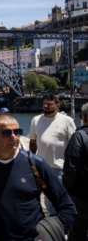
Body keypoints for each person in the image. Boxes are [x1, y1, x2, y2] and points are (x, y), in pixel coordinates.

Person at [0, 115, 76, 241]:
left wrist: (49, 235)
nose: (14, 137)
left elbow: (67, 206)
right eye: (6, 133)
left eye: (17, 132)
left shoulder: (36, 164)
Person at [29, 94, 76, 214]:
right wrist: (30, 160)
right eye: (44, 103)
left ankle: (60, 224)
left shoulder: (67, 121)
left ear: (57, 105)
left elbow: (73, 144)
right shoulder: (36, 120)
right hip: (40, 166)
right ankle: (48, 222)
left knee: (58, 198)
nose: (46, 106)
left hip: (60, 167)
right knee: (40, 198)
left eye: (49, 103)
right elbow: (33, 142)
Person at [63, 102, 88, 241]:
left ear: (84, 117)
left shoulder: (79, 136)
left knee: (77, 234)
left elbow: (71, 168)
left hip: (82, 197)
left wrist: (68, 194)